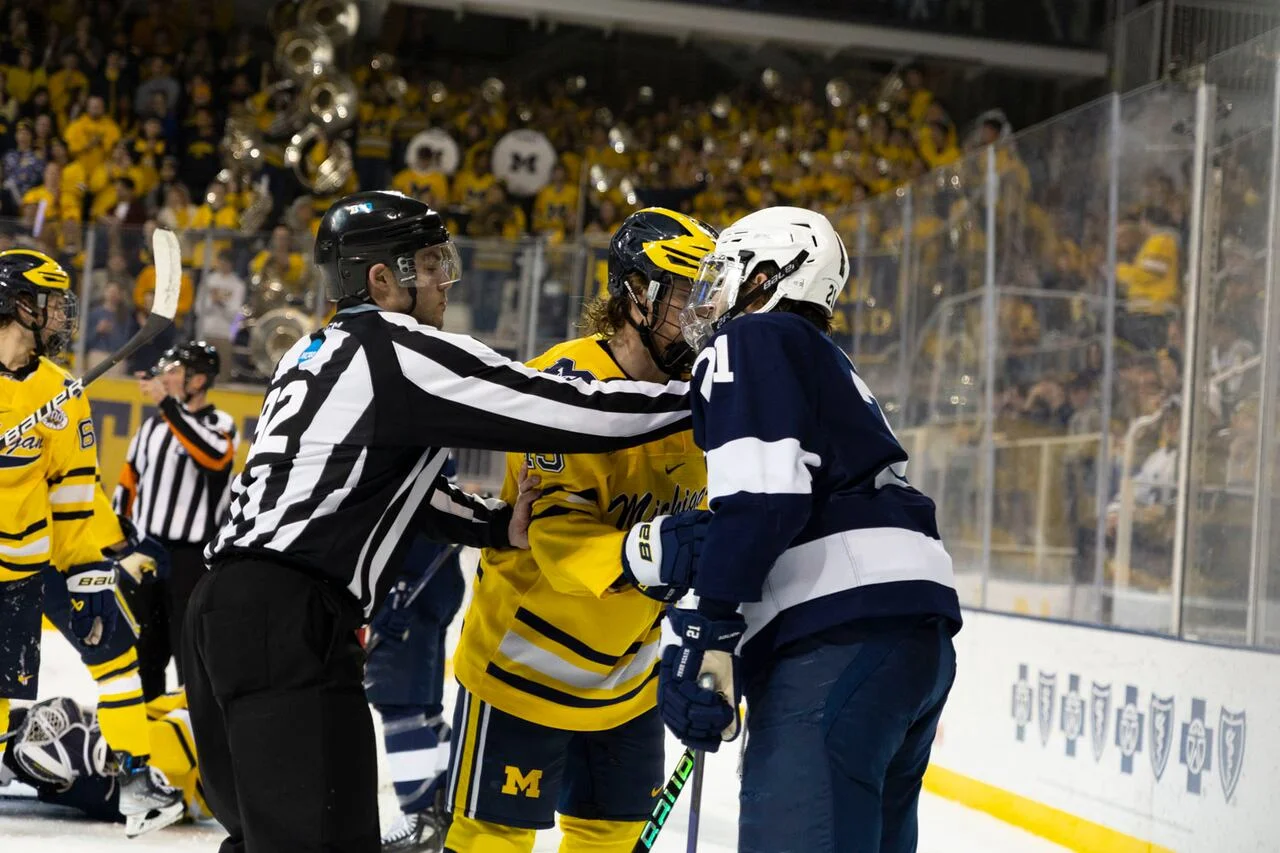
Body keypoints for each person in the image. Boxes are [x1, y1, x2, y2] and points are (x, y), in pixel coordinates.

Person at [186, 190, 696, 853]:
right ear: (381, 279)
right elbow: (562, 409)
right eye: (429, 264)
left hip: (221, 611)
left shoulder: (309, 352)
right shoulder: (399, 347)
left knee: (266, 839)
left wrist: (495, 527)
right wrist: (707, 397)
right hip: (288, 619)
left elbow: (395, 490)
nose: (445, 279)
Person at [618, 207, 962, 853]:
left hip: (837, 642)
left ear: (767, 277)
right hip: (913, 641)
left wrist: (708, 627)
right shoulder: (823, 362)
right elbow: (796, 500)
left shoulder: (751, 338)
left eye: (723, 274)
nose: (709, 296)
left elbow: (764, 501)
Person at [444, 209, 716, 853]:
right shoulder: (563, 385)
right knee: (491, 844)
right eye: (686, 295)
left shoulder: (703, 397)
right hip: (523, 675)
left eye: (708, 298)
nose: (701, 316)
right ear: (637, 294)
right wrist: (657, 550)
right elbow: (558, 540)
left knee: (611, 841)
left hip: (628, 685)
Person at [0, 248, 185, 836]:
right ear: (18, 304)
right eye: (51, 302)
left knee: (117, 654)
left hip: (38, 562)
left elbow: (76, 490)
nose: (61, 314)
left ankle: (136, 782)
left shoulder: (60, 394)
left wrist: (91, 568)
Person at [112, 341, 238, 698]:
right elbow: (128, 484)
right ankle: (146, 727)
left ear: (197, 380)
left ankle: (191, 729)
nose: (165, 377)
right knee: (143, 655)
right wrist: (116, 542)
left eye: (175, 371)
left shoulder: (220, 424)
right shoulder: (152, 426)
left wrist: (167, 405)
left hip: (191, 561)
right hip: (146, 555)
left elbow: (214, 459)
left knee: (191, 657)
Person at [367, 526, 466, 852]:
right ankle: (446, 807)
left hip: (410, 577)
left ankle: (420, 817)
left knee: (399, 704)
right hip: (434, 570)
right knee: (425, 709)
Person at [0, 692, 209, 826]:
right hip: (169, 787)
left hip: (168, 788)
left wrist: (104, 748)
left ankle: (101, 755)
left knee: (48, 745)